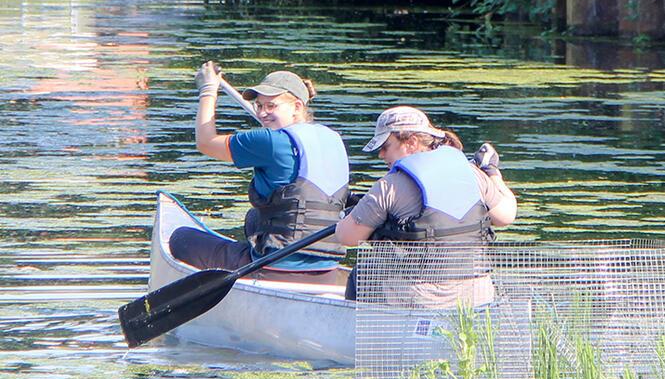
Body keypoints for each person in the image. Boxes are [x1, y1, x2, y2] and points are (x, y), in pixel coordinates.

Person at [169, 63, 351, 286]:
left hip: (276, 268)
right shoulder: (333, 139)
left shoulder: (270, 141)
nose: (262, 113)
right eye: (258, 105)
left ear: (296, 106)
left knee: (181, 238)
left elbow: (205, 142)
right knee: (254, 219)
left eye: (271, 105)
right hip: (327, 269)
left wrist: (208, 90)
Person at [335, 106, 517, 300]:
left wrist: (352, 215)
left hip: (424, 299)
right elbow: (506, 215)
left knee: (364, 271)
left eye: (385, 146)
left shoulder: (389, 186)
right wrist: (492, 173)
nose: (381, 155)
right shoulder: (472, 173)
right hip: (477, 295)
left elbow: (347, 237)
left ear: (412, 142)